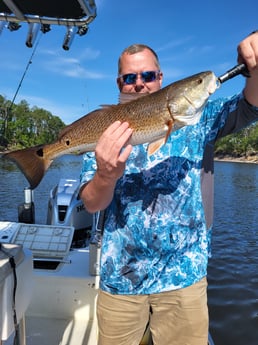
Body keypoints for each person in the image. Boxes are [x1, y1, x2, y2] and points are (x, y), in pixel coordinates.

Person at [79, 32, 258, 345]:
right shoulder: (104, 130)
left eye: (148, 75)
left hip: (183, 281)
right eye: (129, 78)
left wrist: (256, 68)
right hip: (119, 283)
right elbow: (93, 204)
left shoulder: (201, 120)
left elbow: (250, 105)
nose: (139, 83)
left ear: (161, 79)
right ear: (119, 84)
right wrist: (105, 176)